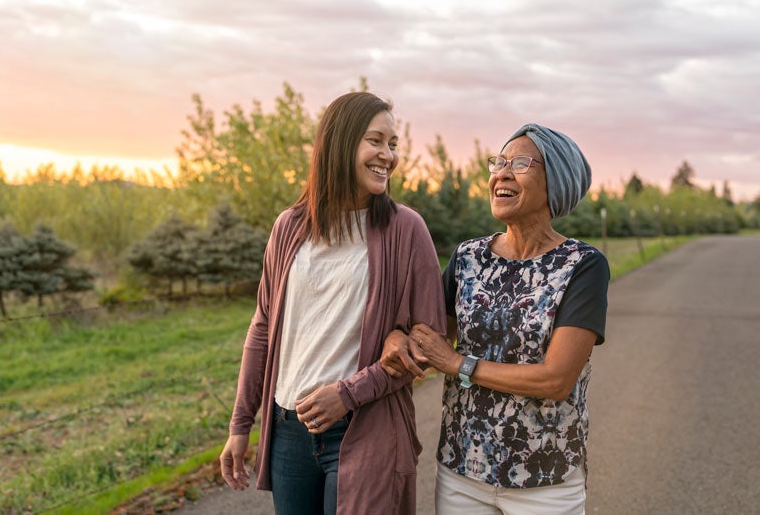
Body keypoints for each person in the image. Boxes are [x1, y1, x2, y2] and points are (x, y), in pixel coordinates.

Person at [219, 91, 446, 515]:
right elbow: (262, 328)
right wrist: (240, 425)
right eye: (375, 141)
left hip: (364, 427)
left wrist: (348, 393)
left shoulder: (406, 229)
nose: (388, 155)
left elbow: (426, 342)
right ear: (340, 143)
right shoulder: (289, 227)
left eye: (393, 144)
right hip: (289, 430)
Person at [382, 123, 609, 514]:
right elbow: (429, 339)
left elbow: (555, 380)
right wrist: (396, 339)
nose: (501, 172)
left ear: (555, 181)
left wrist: (457, 363)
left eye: (520, 163)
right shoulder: (468, 258)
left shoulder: (583, 266)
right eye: (498, 162)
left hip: (546, 479)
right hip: (462, 473)